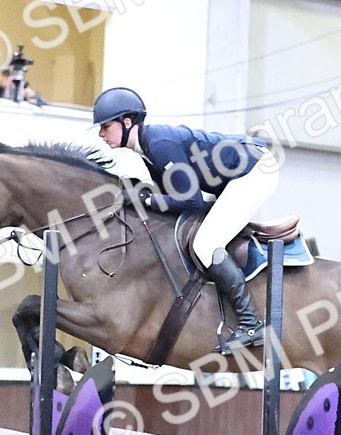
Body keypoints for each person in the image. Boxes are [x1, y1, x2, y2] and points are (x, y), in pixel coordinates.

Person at [92, 86, 279, 350]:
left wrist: (144, 200)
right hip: (238, 174)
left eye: (105, 126)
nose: (101, 134)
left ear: (126, 122)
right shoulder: (145, 149)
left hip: (255, 171)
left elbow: (190, 200)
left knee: (205, 244)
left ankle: (251, 323)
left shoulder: (158, 143)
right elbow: (176, 196)